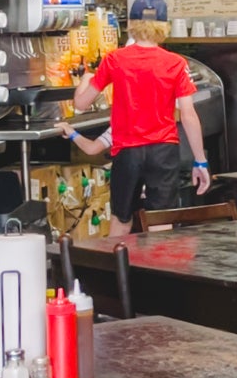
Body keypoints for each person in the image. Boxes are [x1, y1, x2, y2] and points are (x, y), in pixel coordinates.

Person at [73, 32, 210, 235]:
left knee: (121, 220)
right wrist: (200, 161)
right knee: (161, 222)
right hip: (164, 150)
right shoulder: (176, 63)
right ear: (163, 29)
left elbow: (80, 104)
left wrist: (85, 79)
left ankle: (117, 266)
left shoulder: (114, 59)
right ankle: (156, 266)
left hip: (127, 151)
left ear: (131, 28)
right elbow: (188, 114)